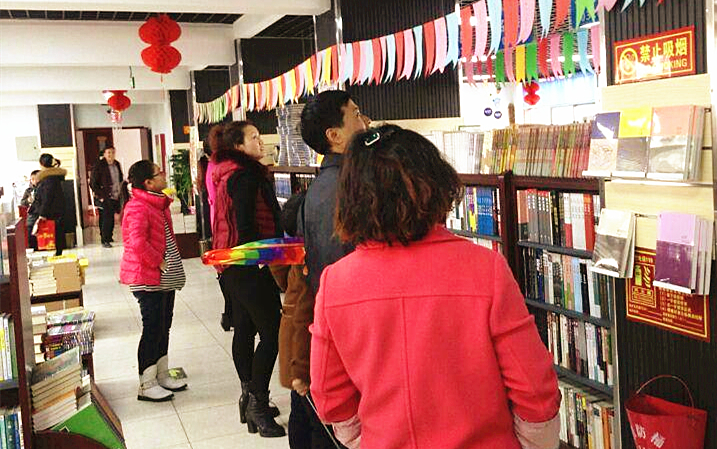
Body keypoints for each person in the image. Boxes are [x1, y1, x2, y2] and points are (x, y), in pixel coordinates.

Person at [309, 125, 562, 449]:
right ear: (436, 184)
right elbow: (534, 388)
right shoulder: (485, 268)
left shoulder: (335, 283)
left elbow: (329, 395)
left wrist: (367, 438)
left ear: (351, 198)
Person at [297, 90, 369, 447]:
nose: (365, 122)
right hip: (357, 331)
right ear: (334, 135)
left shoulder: (319, 187)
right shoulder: (351, 187)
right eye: (355, 114)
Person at [208, 121, 285, 437]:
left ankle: (248, 398)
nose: (261, 141)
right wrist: (260, 260)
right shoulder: (246, 176)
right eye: (253, 137)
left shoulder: (225, 173)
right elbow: (246, 223)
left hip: (230, 263)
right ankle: (258, 405)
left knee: (244, 327)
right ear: (238, 146)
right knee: (272, 333)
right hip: (248, 263)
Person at [119, 160, 188, 402]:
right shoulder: (138, 207)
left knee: (163, 326)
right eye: (159, 173)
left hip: (163, 278)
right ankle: (146, 384)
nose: (164, 175)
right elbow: (136, 242)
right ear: (148, 182)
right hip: (147, 277)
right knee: (152, 328)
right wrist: (158, 261)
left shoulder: (159, 203)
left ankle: (161, 374)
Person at [271, 193, 334, 449]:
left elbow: (280, 277)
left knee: (300, 407)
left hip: (292, 335)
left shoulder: (292, 251)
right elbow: (306, 312)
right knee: (310, 413)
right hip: (302, 345)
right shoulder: (312, 255)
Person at [29, 154, 67, 256]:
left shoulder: (49, 179)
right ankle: (57, 252)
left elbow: (47, 197)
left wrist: (42, 214)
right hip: (56, 211)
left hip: (51, 212)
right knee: (57, 232)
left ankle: (57, 253)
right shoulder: (54, 177)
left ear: (42, 164)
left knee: (54, 233)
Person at [90, 147, 123, 248]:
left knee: (111, 217)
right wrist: (100, 196)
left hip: (115, 195)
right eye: (108, 152)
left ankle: (109, 236)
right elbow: (93, 182)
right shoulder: (99, 165)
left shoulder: (117, 164)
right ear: (104, 154)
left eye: (113, 152)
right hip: (104, 196)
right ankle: (104, 239)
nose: (111, 154)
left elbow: (120, 178)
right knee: (106, 217)